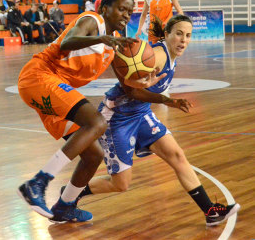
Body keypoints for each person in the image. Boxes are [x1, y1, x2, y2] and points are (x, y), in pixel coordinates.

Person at [61, 14, 241, 226]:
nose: (183, 40)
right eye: (179, 34)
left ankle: (210, 210)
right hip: (117, 117)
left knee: (177, 156)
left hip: (141, 113)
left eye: (188, 36)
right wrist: (167, 100)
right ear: (167, 35)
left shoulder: (172, 57)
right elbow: (131, 90)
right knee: (121, 185)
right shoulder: (157, 56)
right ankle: (72, 194)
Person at [17, 0, 163, 223]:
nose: (126, 15)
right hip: (39, 77)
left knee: (94, 155)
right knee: (96, 122)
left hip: (51, 90)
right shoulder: (92, 21)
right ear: (105, 8)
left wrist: (152, 83)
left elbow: (128, 88)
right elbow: (67, 42)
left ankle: (65, 206)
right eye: (121, 9)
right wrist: (100, 37)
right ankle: (38, 182)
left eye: (130, 11)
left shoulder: (115, 43)